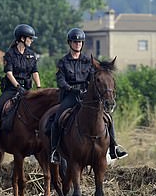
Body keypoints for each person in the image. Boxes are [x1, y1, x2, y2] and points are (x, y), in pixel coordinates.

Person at [49, 27, 127, 164]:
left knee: (108, 118)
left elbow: (94, 77)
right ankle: (55, 151)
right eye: (74, 42)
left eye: (80, 42)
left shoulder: (88, 61)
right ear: (70, 43)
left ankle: (114, 148)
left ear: (82, 44)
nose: (77, 44)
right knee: (57, 120)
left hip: (86, 96)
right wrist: (72, 89)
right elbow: (61, 80)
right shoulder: (63, 62)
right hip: (70, 96)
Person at [0, 24, 41, 151]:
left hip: (27, 89)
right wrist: (17, 86)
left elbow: (35, 72)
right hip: (11, 89)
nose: (32, 41)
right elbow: (9, 73)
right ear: (22, 38)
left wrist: (39, 87)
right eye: (30, 38)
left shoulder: (31, 55)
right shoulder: (9, 54)